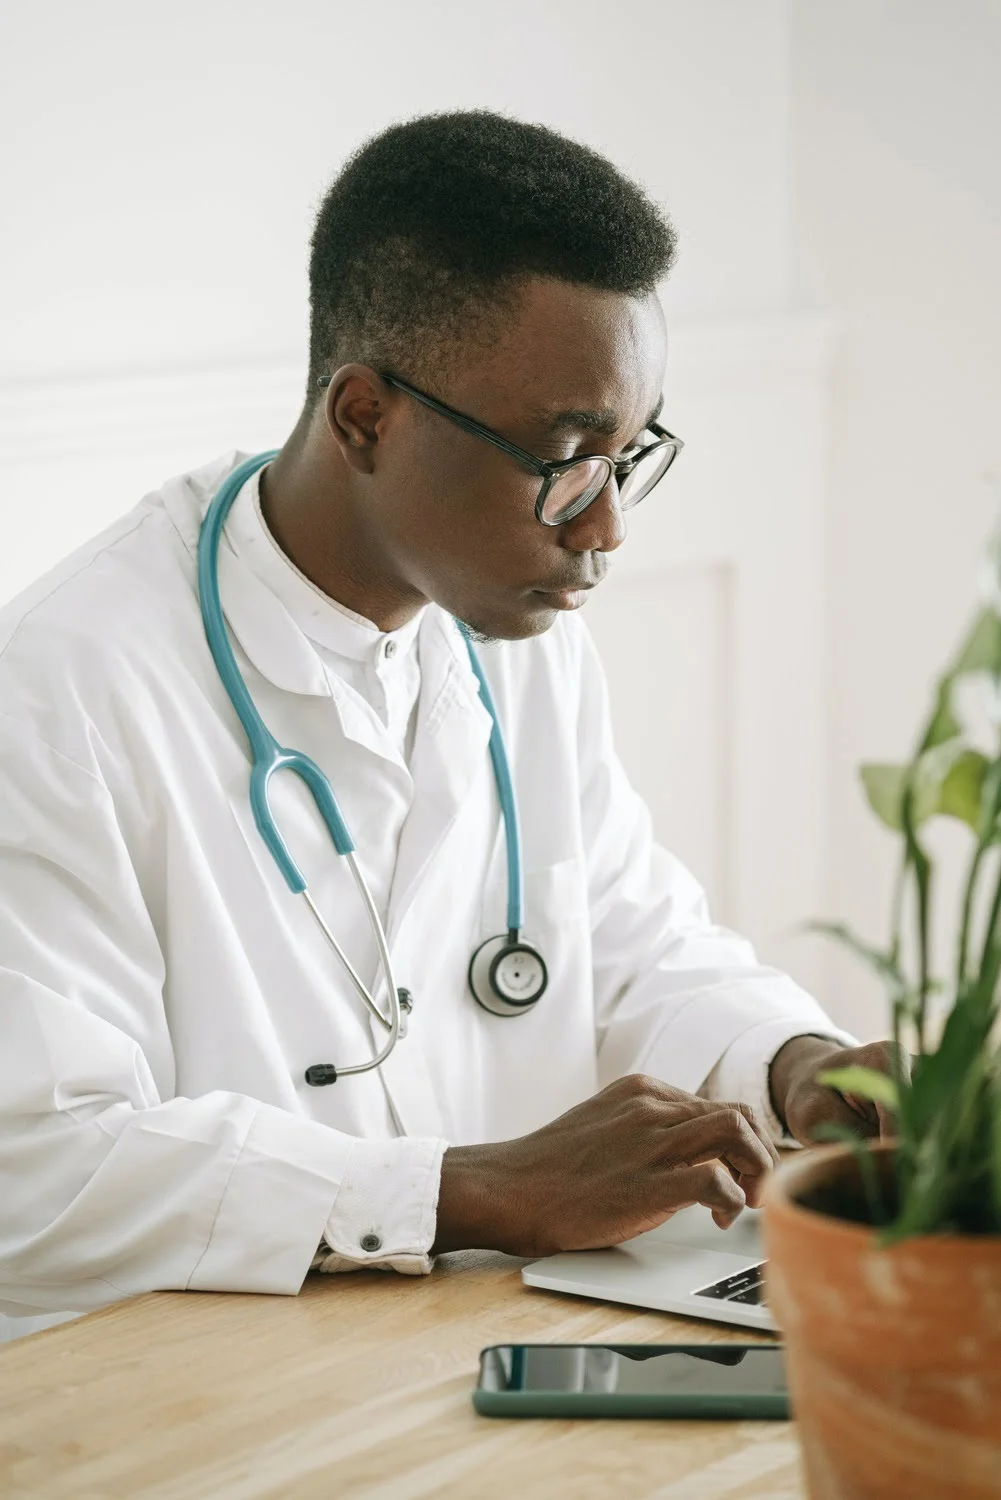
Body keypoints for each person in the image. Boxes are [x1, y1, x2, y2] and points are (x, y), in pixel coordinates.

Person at [0, 109, 896, 1332]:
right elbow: (35, 1173)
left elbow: (626, 935)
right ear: (364, 415)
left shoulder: (514, 637)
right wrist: (467, 1191)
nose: (605, 529)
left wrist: (796, 1064)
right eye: (565, 456)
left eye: (628, 457)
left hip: (471, 1345)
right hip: (206, 1387)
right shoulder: (61, 691)